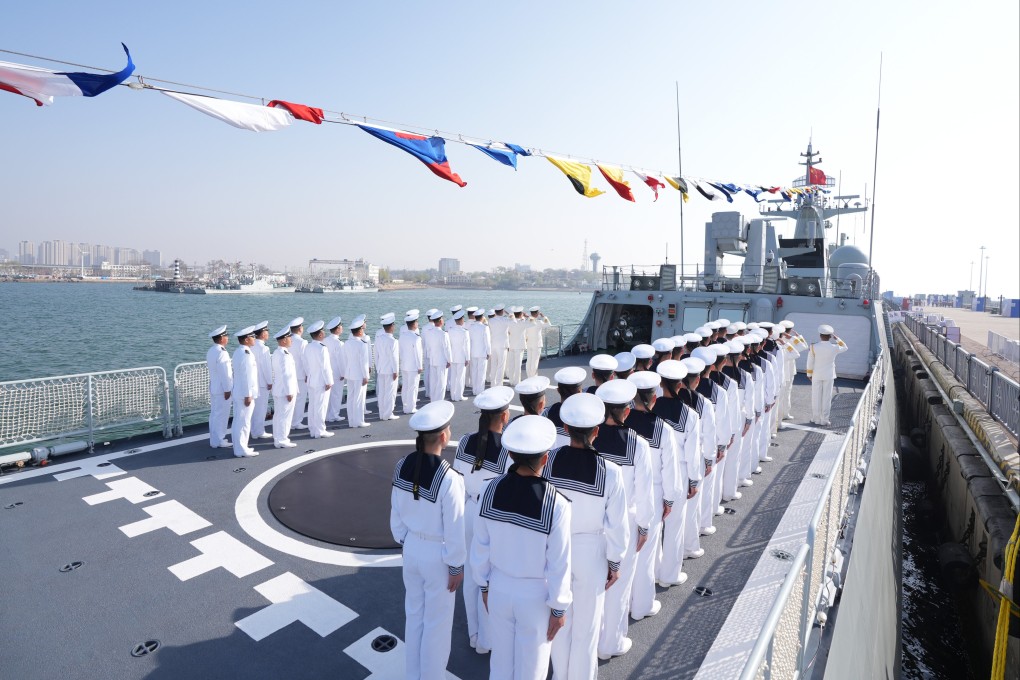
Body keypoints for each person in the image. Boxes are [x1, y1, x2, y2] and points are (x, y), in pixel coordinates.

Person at [471, 415, 572, 680]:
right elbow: (560, 562)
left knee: (501, 665)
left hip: (499, 587)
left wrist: (483, 586)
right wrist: (559, 608)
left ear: (512, 455)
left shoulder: (489, 490)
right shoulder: (556, 503)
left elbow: (480, 545)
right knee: (532, 670)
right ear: (546, 458)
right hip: (535, 594)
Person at [544, 393, 627, 679]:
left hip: (555, 548)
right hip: (592, 551)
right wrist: (615, 563)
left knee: (557, 620)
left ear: (565, 429)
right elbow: (617, 525)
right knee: (587, 628)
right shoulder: (611, 472)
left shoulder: (548, 460)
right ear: (597, 431)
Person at [390, 401, 466, 680]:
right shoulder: (449, 478)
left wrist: (406, 541)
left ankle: (413, 674)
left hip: (411, 548)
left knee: (414, 617)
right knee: (437, 624)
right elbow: (455, 528)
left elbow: (395, 515)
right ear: (444, 437)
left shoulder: (401, 465)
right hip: (438, 555)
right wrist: (456, 566)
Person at [593, 380, 654, 661]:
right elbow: (644, 492)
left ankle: (592, 639)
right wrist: (644, 525)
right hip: (624, 523)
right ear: (626, 412)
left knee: (592, 588)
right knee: (618, 586)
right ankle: (611, 643)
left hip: (592, 525)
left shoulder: (589, 437)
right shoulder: (637, 444)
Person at [452, 385, 515, 656]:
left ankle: (474, 633)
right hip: (490, 516)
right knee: (488, 577)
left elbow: (457, 476)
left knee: (470, 575)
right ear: (504, 416)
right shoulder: (508, 449)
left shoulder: (465, 440)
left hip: (466, 509)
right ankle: (487, 639)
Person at [625, 371, 679, 615]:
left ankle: (624, 605)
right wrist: (669, 499)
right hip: (653, 493)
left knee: (623, 555)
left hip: (623, 495)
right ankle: (642, 606)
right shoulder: (662, 429)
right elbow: (670, 470)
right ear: (654, 398)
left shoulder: (622, 424)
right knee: (645, 553)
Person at [652, 360, 702, 585]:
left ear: (660, 383)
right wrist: (694, 480)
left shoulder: (650, 406)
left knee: (652, 526)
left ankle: (650, 573)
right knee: (674, 526)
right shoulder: (690, 415)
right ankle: (669, 575)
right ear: (681, 384)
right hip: (679, 473)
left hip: (652, 472)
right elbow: (693, 453)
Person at [807, 324, 849, 426]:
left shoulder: (813, 347)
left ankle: (815, 418)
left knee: (816, 397)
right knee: (826, 397)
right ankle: (824, 419)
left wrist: (809, 374)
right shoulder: (834, 347)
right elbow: (845, 347)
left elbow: (810, 361)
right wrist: (837, 338)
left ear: (820, 335)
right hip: (829, 375)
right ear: (830, 336)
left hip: (816, 374)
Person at [231, 326, 260, 458]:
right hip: (244, 394)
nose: (254, 339)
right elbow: (247, 376)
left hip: (239, 392)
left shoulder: (239, 352)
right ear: (247, 339)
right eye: (253, 337)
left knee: (239, 421)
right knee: (243, 422)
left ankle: (241, 447)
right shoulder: (246, 354)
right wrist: (248, 395)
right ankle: (241, 449)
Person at [303, 320, 334, 439]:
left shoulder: (308, 347)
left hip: (311, 380)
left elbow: (305, 364)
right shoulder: (322, 348)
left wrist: (308, 375)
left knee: (312, 406)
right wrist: (329, 381)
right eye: (323, 332)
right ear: (320, 334)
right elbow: (325, 367)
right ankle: (320, 430)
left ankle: (313, 429)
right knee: (321, 406)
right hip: (321, 381)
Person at [270, 326, 298, 448]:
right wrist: (289, 391)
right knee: (284, 417)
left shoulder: (277, 353)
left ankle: (278, 438)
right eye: (289, 338)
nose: (291, 340)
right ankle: (282, 439)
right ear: (284, 340)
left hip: (279, 389)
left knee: (278, 416)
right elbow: (286, 375)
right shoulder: (284, 355)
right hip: (285, 391)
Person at [205, 325, 233, 449]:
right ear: (221, 338)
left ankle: (214, 439)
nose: (227, 338)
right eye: (226, 336)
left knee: (214, 414)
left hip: (214, 387)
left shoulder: (211, 351)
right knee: (221, 415)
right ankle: (219, 439)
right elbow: (225, 373)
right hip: (222, 389)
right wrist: (228, 389)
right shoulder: (222, 353)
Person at [342, 315, 372, 427]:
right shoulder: (362, 344)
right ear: (360, 331)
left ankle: (351, 421)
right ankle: (359, 421)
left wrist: (346, 372)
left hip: (349, 374)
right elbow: (363, 362)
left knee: (350, 398)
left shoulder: (347, 343)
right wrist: (366, 376)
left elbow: (344, 359)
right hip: (359, 375)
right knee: (359, 398)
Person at [374, 313, 401, 420]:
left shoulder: (379, 338)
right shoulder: (393, 341)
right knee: (390, 393)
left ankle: (382, 413)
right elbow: (394, 358)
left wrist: (378, 366)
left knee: (382, 392)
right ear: (391, 327)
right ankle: (388, 414)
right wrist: (396, 371)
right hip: (390, 370)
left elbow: (376, 355)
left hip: (381, 369)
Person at [250, 321, 273, 440]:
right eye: (266, 331)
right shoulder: (264, 348)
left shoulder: (251, 346)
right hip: (263, 383)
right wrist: (270, 381)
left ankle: (254, 430)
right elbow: (266, 367)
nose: (268, 333)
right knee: (261, 408)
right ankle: (258, 431)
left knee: (255, 408)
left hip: (254, 382)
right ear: (262, 333)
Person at [399, 310, 424, 415]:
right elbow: (418, 354)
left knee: (405, 386)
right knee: (413, 387)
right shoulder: (416, 338)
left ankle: (405, 404)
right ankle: (411, 407)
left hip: (404, 364)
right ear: (414, 324)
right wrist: (420, 366)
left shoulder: (402, 336)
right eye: (417, 322)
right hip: (413, 366)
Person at [424, 310, 452, 402]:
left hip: (432, 360)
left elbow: (428, 347)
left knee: (433, 382)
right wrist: (449, 360)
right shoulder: (443, 334)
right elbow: (447, 348)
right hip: (441, 361)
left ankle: (433, 400)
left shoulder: (429, 332)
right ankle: (439, 402)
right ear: (440, 321)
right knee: (441, 383)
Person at [287, 317, 309, 430]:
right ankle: (296, 422)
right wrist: (307, 374)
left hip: (290, 375)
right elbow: (305, 360)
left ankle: (290, 421)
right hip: (300, 375)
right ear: (300, 328)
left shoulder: (287, 339)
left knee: (291, 400)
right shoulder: (302, 342)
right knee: (300, 399)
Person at [325, 316, 346, 423]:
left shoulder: (325, 340)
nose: (342, 328)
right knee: (337, 394)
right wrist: (343, 373)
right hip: (337, 372)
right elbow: (341, 360)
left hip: (327, 372)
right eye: (341, 326)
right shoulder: (339, 343)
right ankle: (334, 415)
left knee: (328, 395)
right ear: (337, 329)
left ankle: (328, 415)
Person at [447, 310, 471, 401]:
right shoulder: (464, 332)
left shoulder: (450, 330)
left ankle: (453, 395)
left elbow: (449, 345)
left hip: (453, 357)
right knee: (460, 377)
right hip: (461, 357)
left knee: (453, 377)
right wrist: (467, 358)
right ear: (461, 320)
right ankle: (459, 395)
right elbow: (466, 346)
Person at [467, 308, 491, 396]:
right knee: (481, 372)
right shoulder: (484, 327)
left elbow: (469, 341)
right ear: (482, 317)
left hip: (473, 352)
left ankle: (474, 389)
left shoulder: (470, 327)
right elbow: (487, 341)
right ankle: (480, 390)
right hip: (482, 353)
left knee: (474, 372)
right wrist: (489, 352)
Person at [487, 305, 510, 386]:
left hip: (493, 345)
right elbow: (514, 321)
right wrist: (509, 313)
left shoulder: (491, 321)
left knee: (494, 365)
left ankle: (493, 383)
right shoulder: (506, 320)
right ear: (502, 311)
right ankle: (499, 384)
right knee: (501, 365)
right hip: (502, 346)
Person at [524, 306, 549, 379]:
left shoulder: (527, 321)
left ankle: (529, 376)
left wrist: (528, 316)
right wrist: (544, 317)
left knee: (529, 361)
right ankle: (533, 377)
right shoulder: (539, 322)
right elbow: (548, 325)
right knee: (535, 361)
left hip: (529, 343)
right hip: (537, 344)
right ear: (537, 313)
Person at [506, 307, 528, 385]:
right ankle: (517, 381)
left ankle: (511, 381)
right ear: (521, 314)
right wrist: (527, 316)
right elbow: (533, 323)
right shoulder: (523, 322)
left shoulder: (510, 322)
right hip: (519, 346)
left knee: (511, 364)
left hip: (511, 345)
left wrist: (511, 316)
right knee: (518, 365)